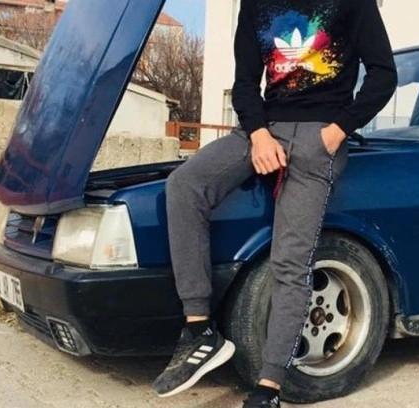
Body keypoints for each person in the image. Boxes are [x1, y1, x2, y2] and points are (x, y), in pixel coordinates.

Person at [151, 0, 397, 406]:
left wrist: (337, 131)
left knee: (290, 261)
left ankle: (269, 388)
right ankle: (199, 330)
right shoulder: (256, 5)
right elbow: (245, 83)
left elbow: (384, 74)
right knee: (185, 185)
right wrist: (259, 134)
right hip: (264, 129)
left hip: (320, 138)